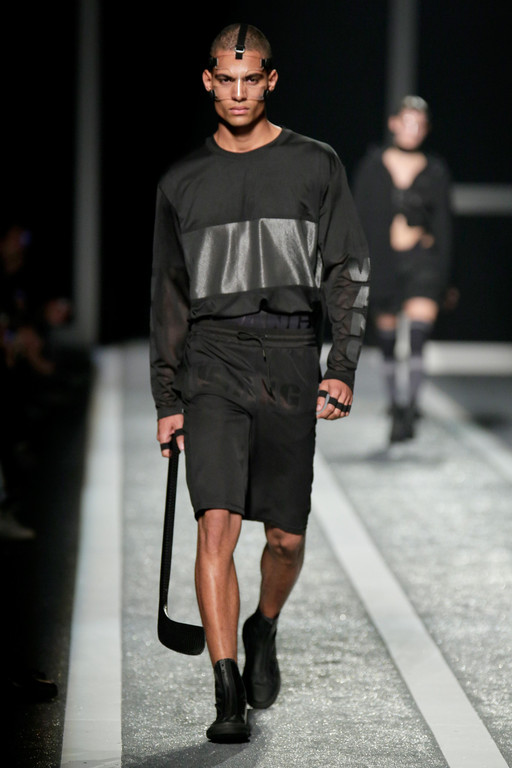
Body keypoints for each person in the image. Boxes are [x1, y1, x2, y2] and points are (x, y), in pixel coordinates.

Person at [150, 23, 370, 743]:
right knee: (215, 524)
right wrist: (167, 398)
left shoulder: (315, 163)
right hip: (213, 358)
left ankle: (263, 626)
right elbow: (168, 297)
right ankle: (226, 693)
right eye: (226, 79)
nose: (238, 92)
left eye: (251, 80)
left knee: (285, 539)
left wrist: (341, 367)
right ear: (208, 81)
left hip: (290, 355)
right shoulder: (180, 182)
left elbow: (346, 269)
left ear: (271, 80)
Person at [353, 96, 452, 443]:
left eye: (419, 124)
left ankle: (409, 408)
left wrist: (447, 277)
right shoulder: (372, 166)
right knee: (388, 340)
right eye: (407, 121)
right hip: (382, 262)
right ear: (393, 123)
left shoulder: (435, 170)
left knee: (419, 337)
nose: (412, 129)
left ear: (426, 129)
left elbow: (444, 224)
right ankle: (396, 405)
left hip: (423, 261)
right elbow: (358, 218)